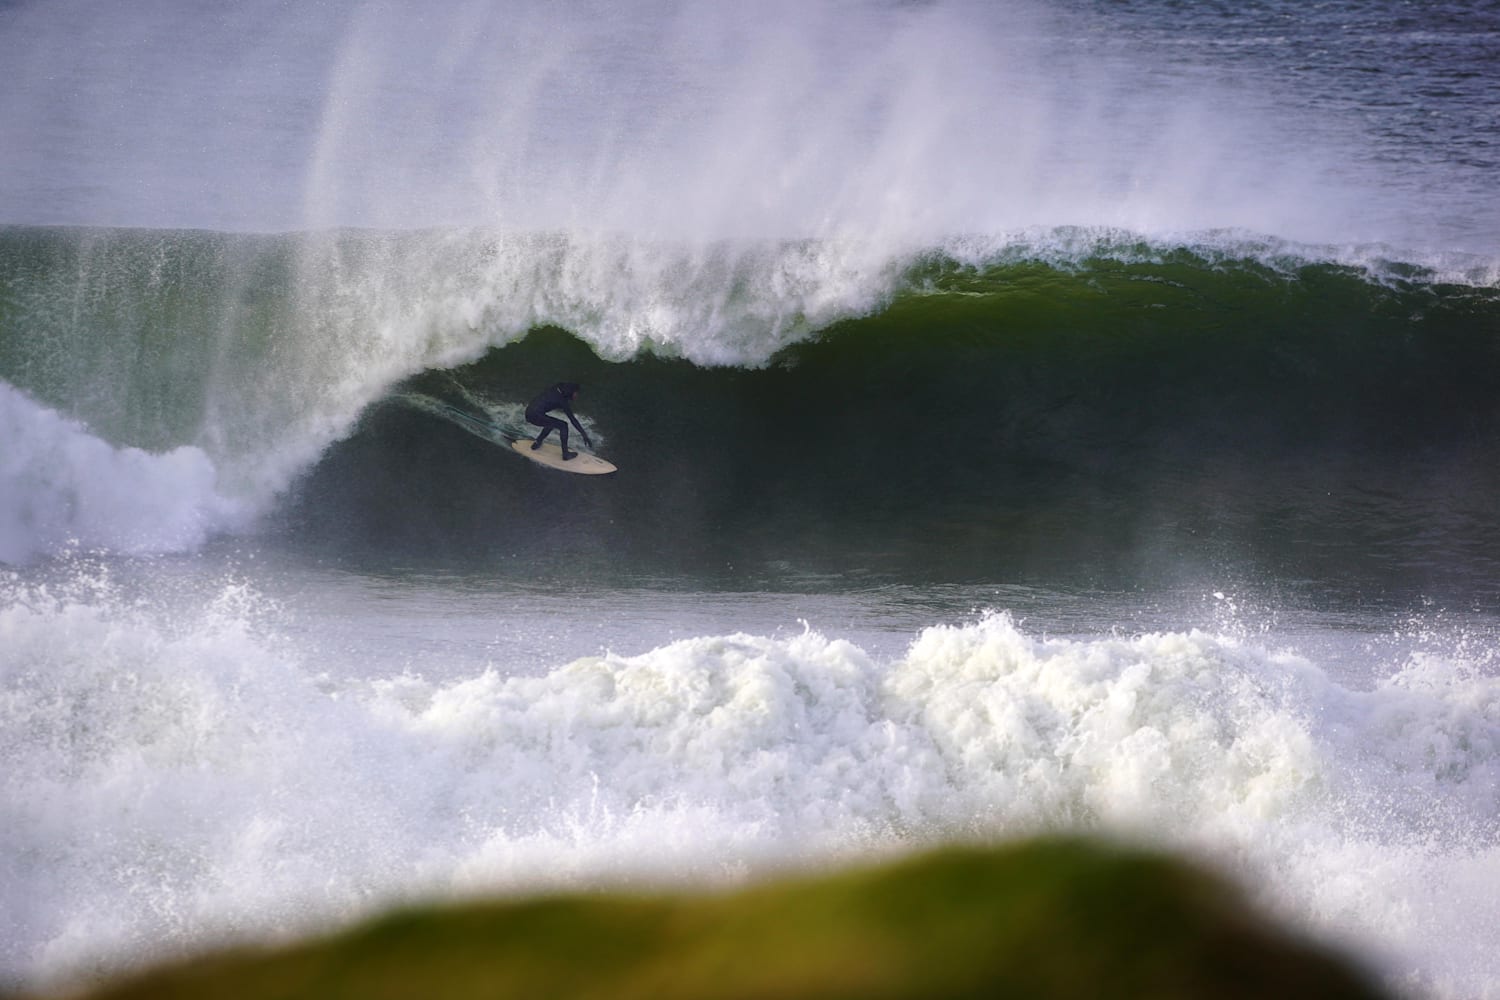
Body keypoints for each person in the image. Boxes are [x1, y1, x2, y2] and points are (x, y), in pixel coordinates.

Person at [525, 382, 592, 460]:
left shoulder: (556, 388)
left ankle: (537, 443)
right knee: (563, 425)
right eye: (575, 393)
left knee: (551, 423)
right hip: (535, 415)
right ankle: (565, 454)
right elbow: (572, 419)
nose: (576, 396)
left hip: (529, 412)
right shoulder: (562, 401)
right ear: (571, 392)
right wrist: (584, 435)